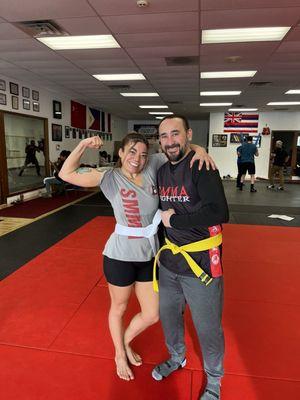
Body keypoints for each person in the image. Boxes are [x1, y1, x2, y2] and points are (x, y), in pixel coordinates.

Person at [59, 132, 216, 382]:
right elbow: (65, 174)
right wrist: (83, 145)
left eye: (143, 153)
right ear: (120, 153)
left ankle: (123, 341)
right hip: (119, 255)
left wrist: (199, 150)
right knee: (119, 307)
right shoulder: (108, 177)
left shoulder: (153, 163)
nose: (137, 158)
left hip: (149, 255)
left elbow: (177, 147)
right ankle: (120, 354)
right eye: (131, 152)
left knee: (152, 313)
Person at [151, 115, 229, 400]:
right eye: (164, 136)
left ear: (188, 134)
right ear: (159, 141)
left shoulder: (201, 166)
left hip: (202, 265)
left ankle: (214, 381)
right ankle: (177, 358)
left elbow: (219, 212)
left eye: (176, 134)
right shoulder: (160, 170)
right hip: (170, 263)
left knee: (207, 327)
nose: (170, 141)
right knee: (169, 317)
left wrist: (175, 223)